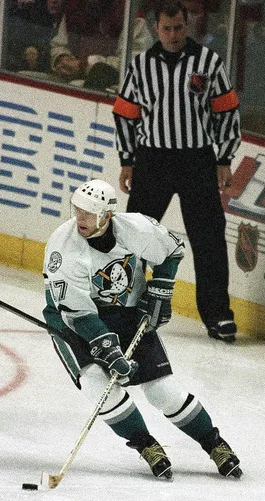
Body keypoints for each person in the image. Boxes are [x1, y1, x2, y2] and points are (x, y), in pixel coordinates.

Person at [43, 178, 242, 479]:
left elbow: (172, 252)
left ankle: (215, 444)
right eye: (77, 210)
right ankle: (146, 444)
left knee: (165, 392)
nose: (80, 218)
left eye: (88, 212)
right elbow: (78, 313)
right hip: (71, 321)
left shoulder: (135, 229)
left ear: (106, 215)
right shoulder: (64, 246)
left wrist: (161, 289)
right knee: (98, 386)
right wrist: (108, 350)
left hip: (126, 312)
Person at [112, 0, 240, 343]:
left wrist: (224, 158)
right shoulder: (140, 66)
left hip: (197, 160)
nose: (172, 35)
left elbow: (226, 110)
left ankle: (218, 316)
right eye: (166, 29)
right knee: (135, 236)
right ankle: (124, 305)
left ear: (188, 26)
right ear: (157, 28)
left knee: (209, 238)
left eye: (178, 28)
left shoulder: (209, 62)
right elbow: (125, 112)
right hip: (152, 160)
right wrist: (127, 159)